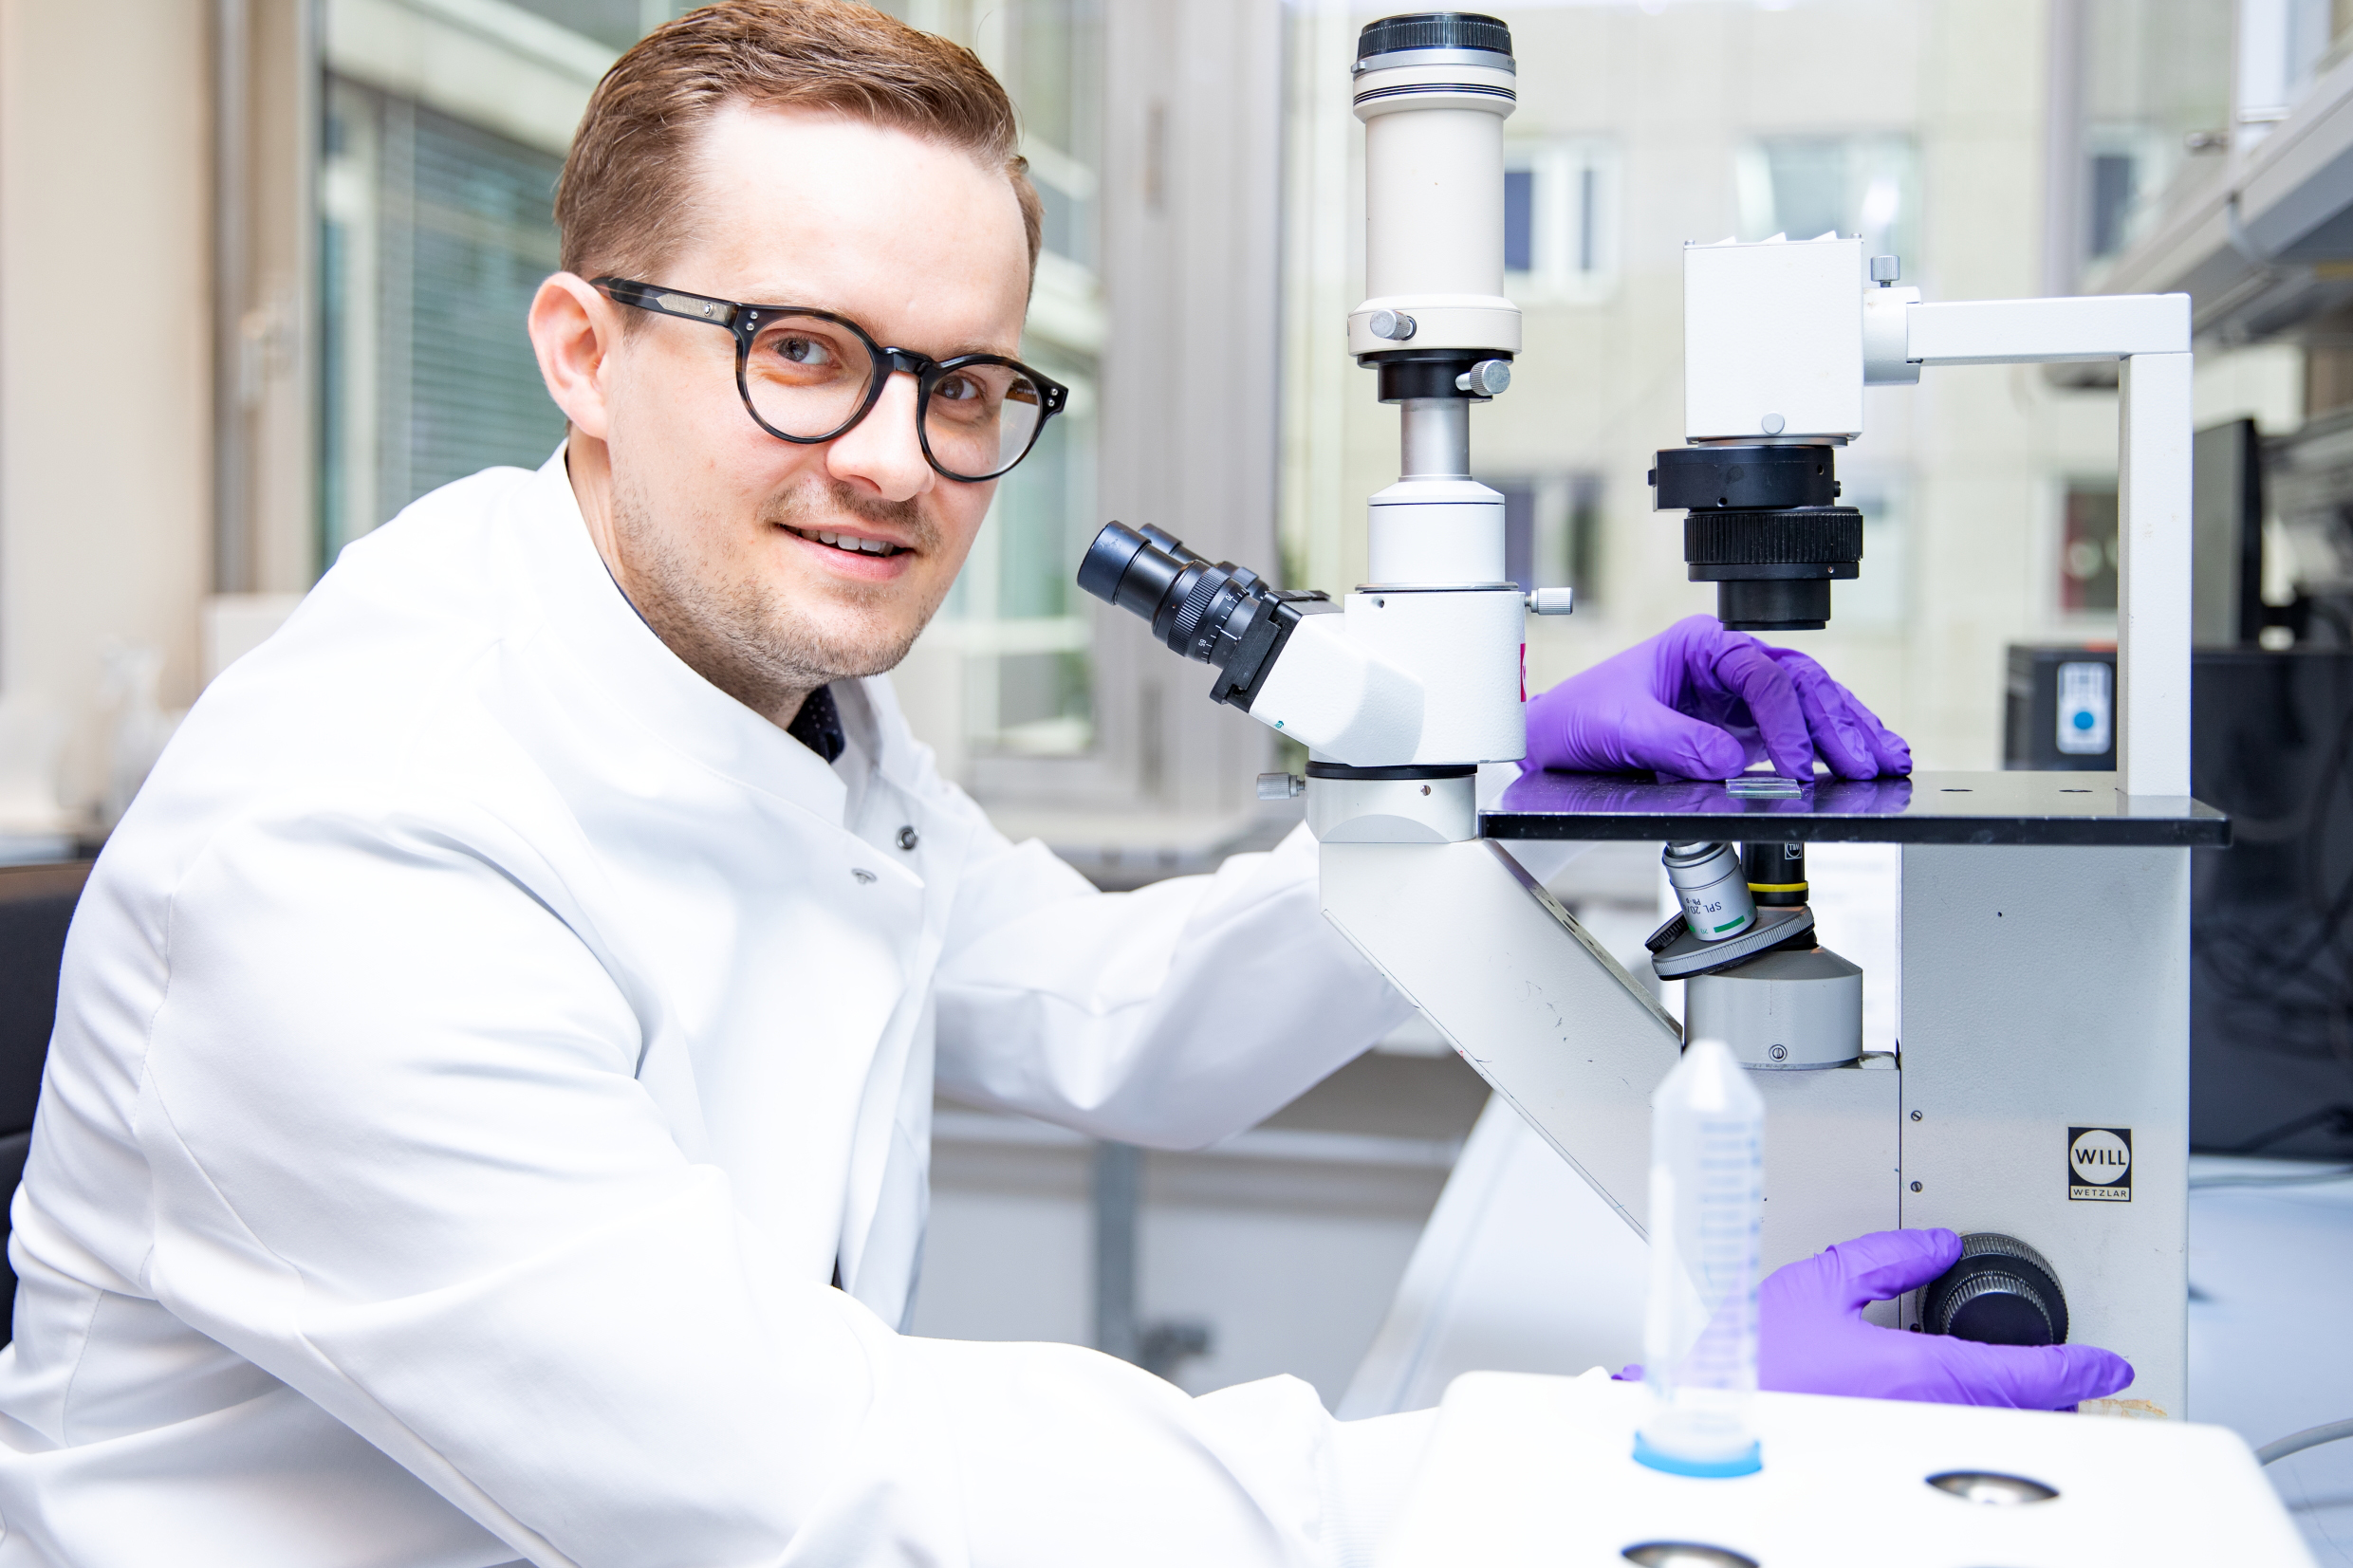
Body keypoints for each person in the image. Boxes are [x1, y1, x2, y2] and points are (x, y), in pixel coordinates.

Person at [0, 6, 2126, 1565]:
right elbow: (800, 1475)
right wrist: (1620, 1433)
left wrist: (1458, 808)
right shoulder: (348, 847)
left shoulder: (766, 687)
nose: (897, 459)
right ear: (578, 343)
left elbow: (1098, 1012)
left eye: (963, 381)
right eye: (800, 348)